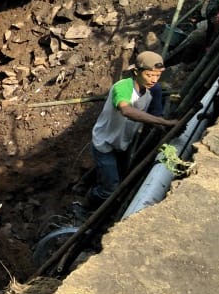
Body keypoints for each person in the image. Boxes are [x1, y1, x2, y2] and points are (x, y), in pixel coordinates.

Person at [77, 51, 179, 214]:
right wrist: (164, 122)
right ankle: (84, 206)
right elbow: (126, 110)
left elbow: (155, 116)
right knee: (110, 188)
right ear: (136, 72)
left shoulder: (155, 90)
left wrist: (166, 127)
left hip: (124, 142)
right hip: (104, 144)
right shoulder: (123, 87)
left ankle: (83, 185)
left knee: (116, 174)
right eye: (149, 75)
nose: (154, 80)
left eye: (158, 75)